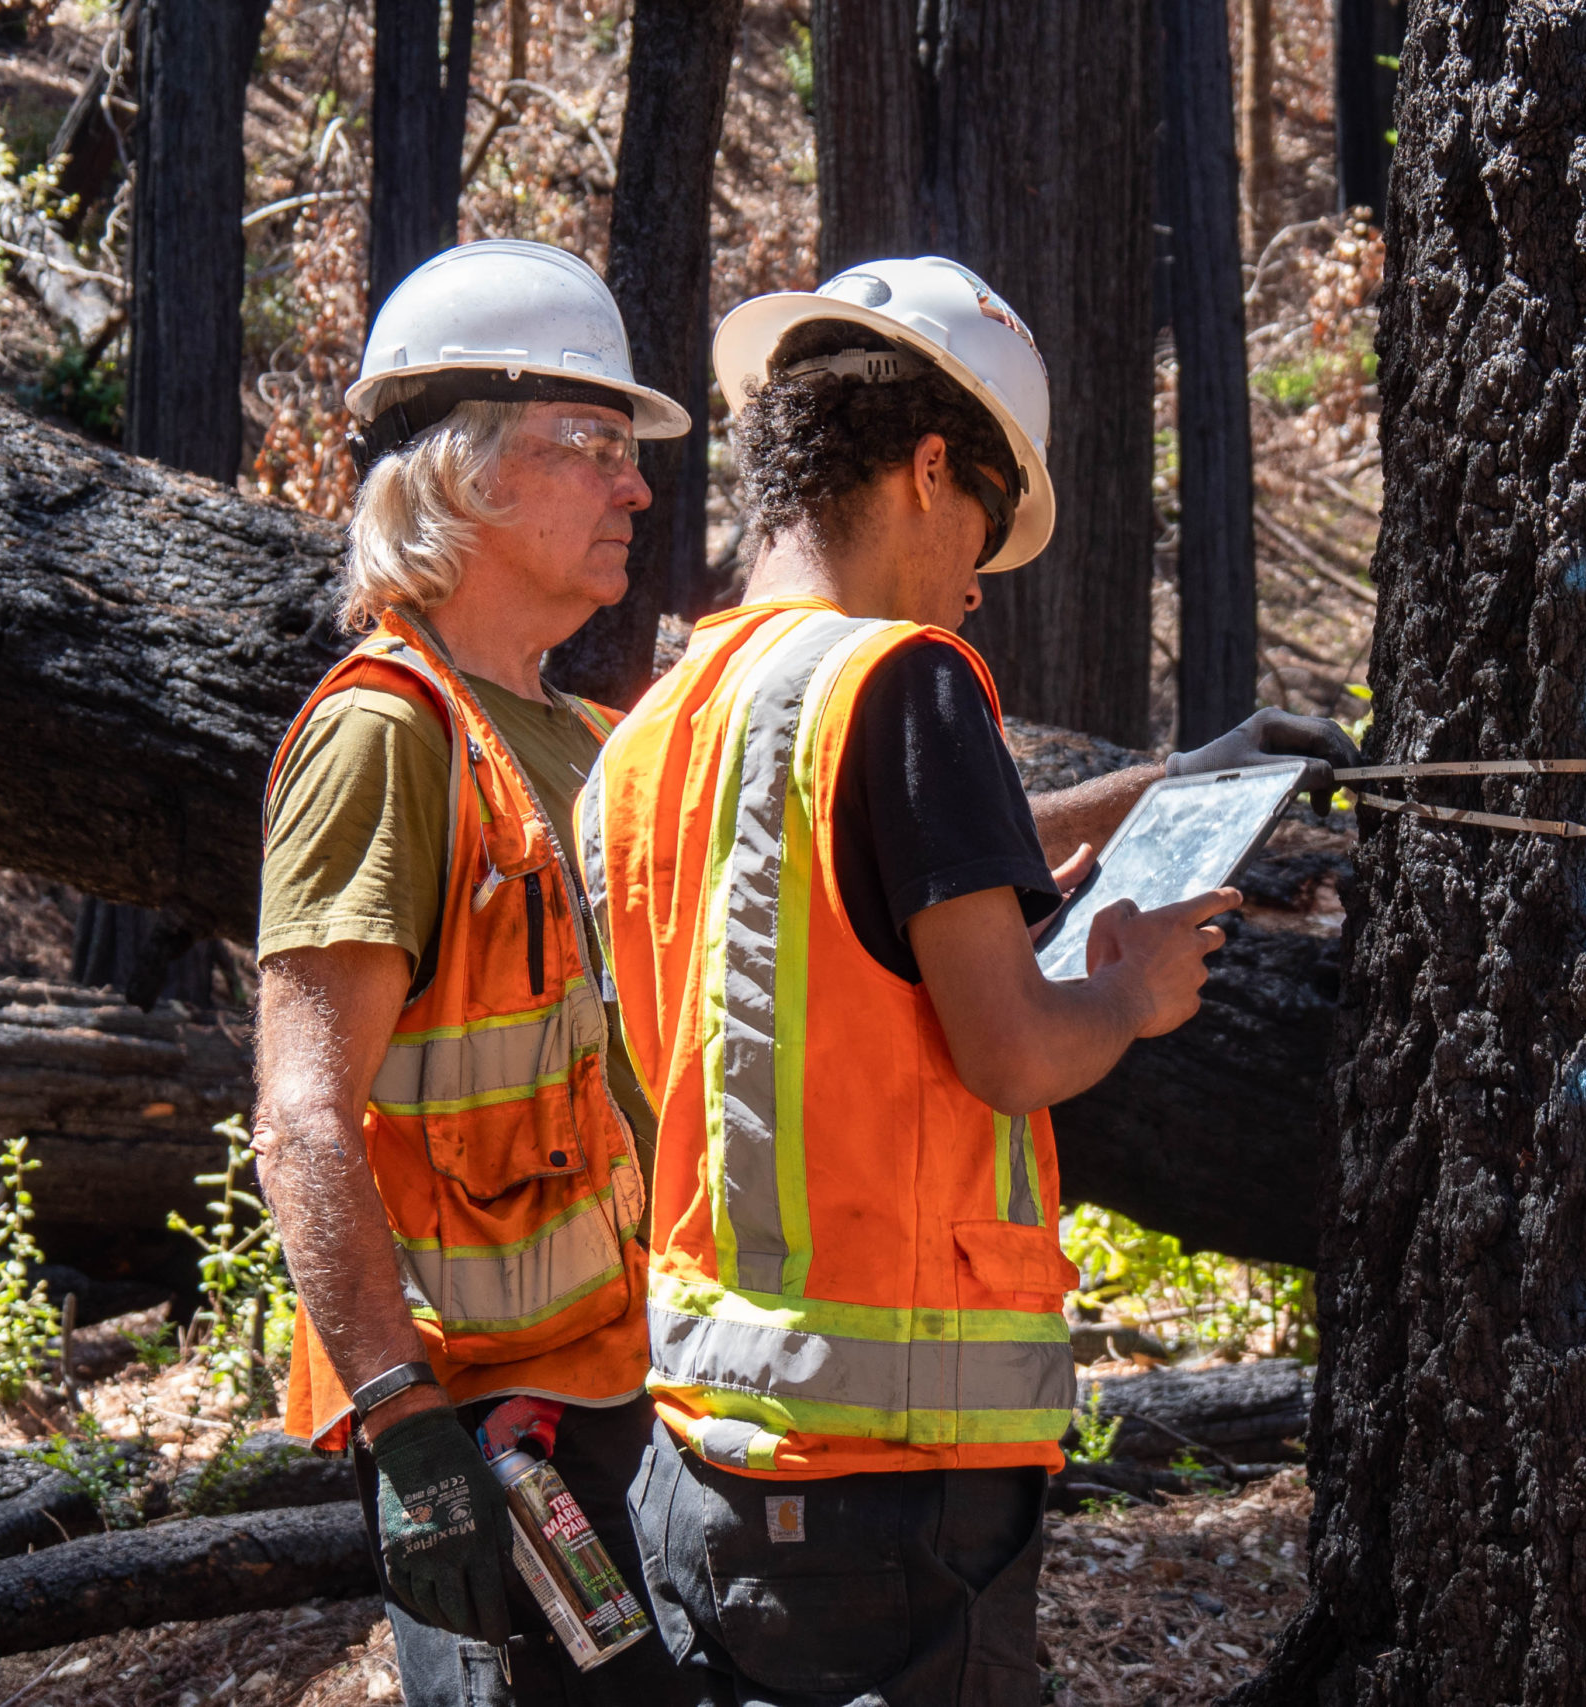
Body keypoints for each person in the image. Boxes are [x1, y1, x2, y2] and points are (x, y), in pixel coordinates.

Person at [578, 255, 1358, 1706]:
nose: (978, 593)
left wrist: (1175, 788)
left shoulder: (656, 736)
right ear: (932, 467)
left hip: (705, 1468)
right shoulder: (903, 682)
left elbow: (849, 920)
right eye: (985, 540)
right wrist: (1129, 993)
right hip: (898, 1492)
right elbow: (1009, 1051)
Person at [251, 240, 697, 1707]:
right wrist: (398, 1418)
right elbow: (301, 1114)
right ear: (459, 479)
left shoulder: (571, 737)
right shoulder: (386, 734)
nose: (635, 488)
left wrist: (1142, 798)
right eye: (592, 449)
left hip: (607, 1395)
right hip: (478, 1435)